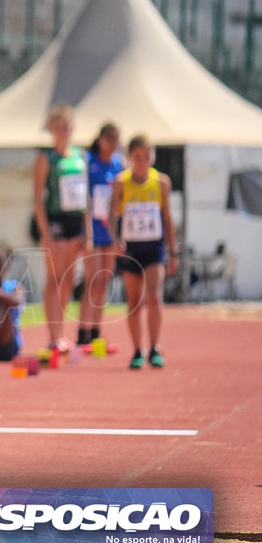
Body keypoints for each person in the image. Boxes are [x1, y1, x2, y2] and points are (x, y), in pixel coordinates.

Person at [109, 134, 178, 369]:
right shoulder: (120, 182)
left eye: (146, 156)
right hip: (131, 248)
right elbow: (112, 217)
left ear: (152, 156)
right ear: (130, 158)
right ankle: (138, 349)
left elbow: (167, 219)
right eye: (137, 157)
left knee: (154, 296)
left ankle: (155, 347)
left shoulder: (161, 183)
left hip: (154, 247)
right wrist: (115, 240)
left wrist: (173, 251)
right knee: (134, 301)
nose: (141, 161)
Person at [32, 103, 91, 353]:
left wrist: (87, 230)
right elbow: (37, 198)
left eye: (66, 126)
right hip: (55, 220)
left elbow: (85, 194)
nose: (62, 131)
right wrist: (45, 233)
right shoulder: (47, 159)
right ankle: (53, 335)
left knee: (68, 279)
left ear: (72, 128)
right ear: (51, 130)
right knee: (54, 279)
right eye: (57, 127)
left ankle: (62, 333)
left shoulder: (80, 156)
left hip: (75, 221)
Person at [77, 122, 124, 349]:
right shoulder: (88, 161)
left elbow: (120, 201)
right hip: (92, 231)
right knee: (92, 281)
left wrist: (118, 234)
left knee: (104, 281)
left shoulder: (118, 165)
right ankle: (82, 330)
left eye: (117, 139)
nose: (113, 144)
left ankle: (96, 331)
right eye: (110, 139)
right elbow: (83, 196)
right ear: (101, 139)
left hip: (109, 232)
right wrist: (85, 231)